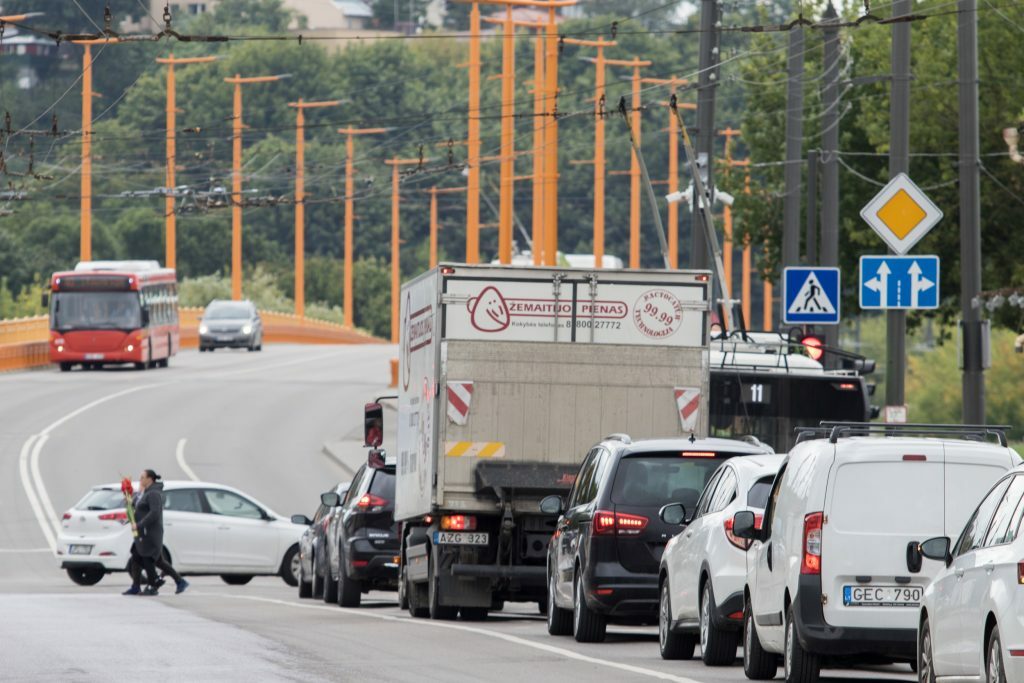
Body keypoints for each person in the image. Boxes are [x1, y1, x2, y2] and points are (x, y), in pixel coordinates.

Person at [122, 470, 164, 596]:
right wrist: (128, 501)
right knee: (136, 557)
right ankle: (136, 586)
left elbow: (154, 513)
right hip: (141, 532)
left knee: (147, 559)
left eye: (142, 478)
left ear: (150, 479)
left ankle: (154, 584)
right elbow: (137, 506)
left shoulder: (154, 493)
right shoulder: (145, 492)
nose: (140, 480)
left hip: (149, 532)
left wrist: (139, 524)